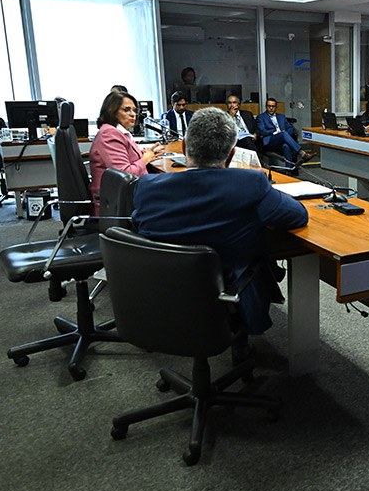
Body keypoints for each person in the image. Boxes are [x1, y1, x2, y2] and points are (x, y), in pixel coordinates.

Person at [132, 107, 309, 336]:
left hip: (161, 295)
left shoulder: (145, 188)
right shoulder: (251, 184)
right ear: (232, 155)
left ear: (184, 147)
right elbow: (297, 215)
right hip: (224, 290)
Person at [89, 91, 164, 215]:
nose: (133, 115)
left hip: (126, 196)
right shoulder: (109, 134)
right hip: (118, 203)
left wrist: (146, 153)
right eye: (127, 110)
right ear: (112, 111)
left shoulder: (116, 132)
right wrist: (145, 159)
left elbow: (125, 156)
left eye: (135, 110)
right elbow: (125, 175)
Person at [256, 97, 314, 166]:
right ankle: (302, 153)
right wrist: (274, 132)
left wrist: (286, 135)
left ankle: (288, 170)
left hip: (282, 139)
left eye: (273, 106)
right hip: (270, 142)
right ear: (266, 107)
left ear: (276, 107)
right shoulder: (261, 117)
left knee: (286, 146)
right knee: (283, 133)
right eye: (269, 106)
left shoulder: (281, 117)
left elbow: (290, 128)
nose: (271, 108)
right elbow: (262, 131)